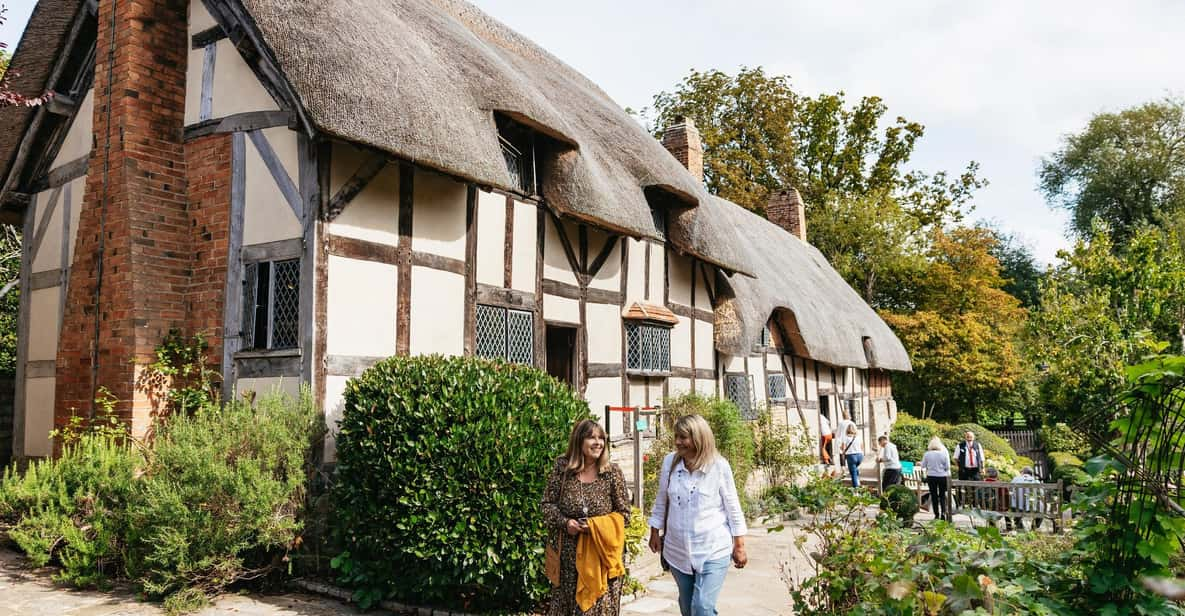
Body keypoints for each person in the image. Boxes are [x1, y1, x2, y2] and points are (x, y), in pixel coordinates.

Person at [648, 414, 748, 616]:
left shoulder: (719, 466)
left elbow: (733, 508)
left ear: (699, 438)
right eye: (676, 436)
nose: (677, 442)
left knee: (702, 607)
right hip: (678, 550)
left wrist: (739, 546)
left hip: (713, 548)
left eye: (684, 437)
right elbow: (661, 500)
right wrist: (654, 532)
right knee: (687, 608)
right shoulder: (670, 463)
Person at [542, 419, 631, 616]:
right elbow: (547, 505)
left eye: (601, 438)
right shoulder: (562, 469)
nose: (598, 442)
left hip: (601, 560)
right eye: (592, 437)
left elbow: (625, 515)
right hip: (567, 560)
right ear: (578, 440)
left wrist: (596, 526)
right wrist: (566, 523)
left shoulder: (612, 473)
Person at [920, 437, 951, 522]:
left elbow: (923, 466)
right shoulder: (943, 454)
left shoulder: (927, 454)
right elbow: (947, 466)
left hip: (931, 476)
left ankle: (936, 514)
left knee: (934, 495)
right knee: (942, 495)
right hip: (942, 476)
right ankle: (943, 513)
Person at [1007, 467, 1042, 532]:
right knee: (1041, 509)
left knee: (1014, 504)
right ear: (1031, 474)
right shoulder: (1036, 481)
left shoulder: (1015, 479)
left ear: (1023, 473)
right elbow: (1041, 494)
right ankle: (1034, 527)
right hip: (1032, 507)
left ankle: (1019, 527)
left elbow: (1009, 490)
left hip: (1017, 507)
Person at [840, 422, 864, 489]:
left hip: (851, 456)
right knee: (855, 469)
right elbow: (862, 447)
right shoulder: (859, 437)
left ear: (847, 430)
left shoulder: (845, 438)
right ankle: (858, 481)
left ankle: (856, 490)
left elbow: (843, 448)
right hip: (860, 455)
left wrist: (841, 449)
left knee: (853, 473)